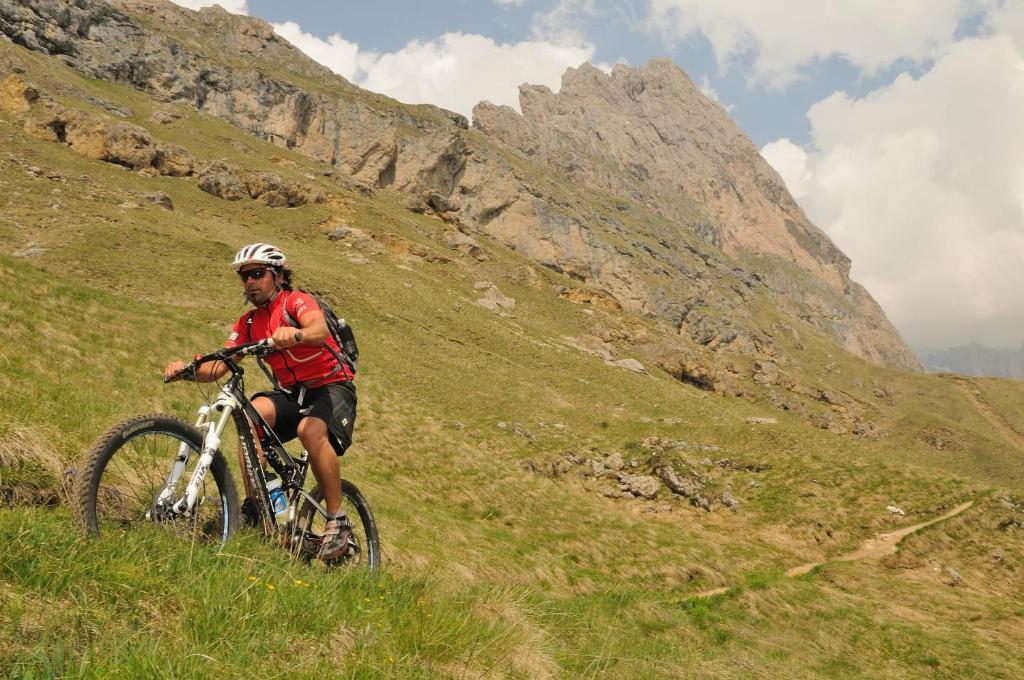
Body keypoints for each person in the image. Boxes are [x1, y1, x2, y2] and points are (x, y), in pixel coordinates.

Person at [163, 243, 357, 562]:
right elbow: (219, 366)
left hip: (331, 387)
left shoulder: (296, 301)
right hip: (293, 393)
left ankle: (338, 520)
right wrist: (185, 370)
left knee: (310, 431)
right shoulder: (249, 323)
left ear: (277, 276)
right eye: (244, 277)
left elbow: (318, 330)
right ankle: (261, 506)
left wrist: (293, 335)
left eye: (257, 274)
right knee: (250, 417)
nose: (250, 282)